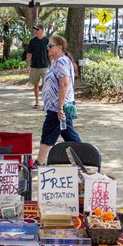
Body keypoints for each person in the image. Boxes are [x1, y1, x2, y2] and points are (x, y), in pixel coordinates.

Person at [35, 35, 82, 165]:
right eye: (47, 46)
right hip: (56, 106)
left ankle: (39, 162)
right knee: (69, 135)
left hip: (58, 107)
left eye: (51, 46)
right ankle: (85, 157)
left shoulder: (61, 62)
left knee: (48, 133)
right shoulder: (56, 62)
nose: (48, 48)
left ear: (59, 47)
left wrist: (60, 107)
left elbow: (64, 84)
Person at [24, 24, 50, 108]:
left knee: (46, 85)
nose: (36, 31)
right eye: (35, 29)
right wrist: (28, 65)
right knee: (36, 85)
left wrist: (52, 64)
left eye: (37, 29)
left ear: (42, 30)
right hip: (34, 66)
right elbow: (29, 53)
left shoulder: (47, 40)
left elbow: (50, 53)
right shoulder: (32, 41)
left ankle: (46, 103)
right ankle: (37, 102)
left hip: (45, 66)